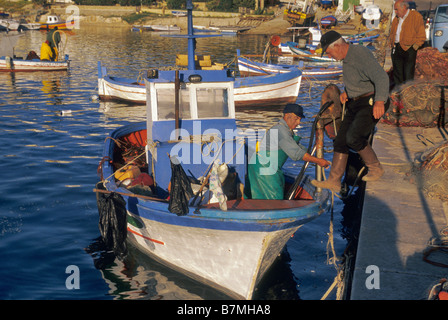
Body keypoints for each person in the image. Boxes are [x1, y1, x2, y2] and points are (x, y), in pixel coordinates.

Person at [311, 31, 390, 193]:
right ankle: (334, 180)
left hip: (371, 101)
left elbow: (381, 77)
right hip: (356, 101)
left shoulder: (359, 54)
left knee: (353, 137)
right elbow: (359, 78)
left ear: (338, 46)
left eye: (329, 52)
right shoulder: (345, 58)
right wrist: (348, 91)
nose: (330, 56)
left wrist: (380, 101)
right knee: (341, 140)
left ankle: (375, 168)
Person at [248, 104, 331, 200]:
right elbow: (296, 154)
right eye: (296, 119)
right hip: (265, 169)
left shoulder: (284, 129)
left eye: (300, 119)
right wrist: (318, 161)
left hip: (264, 167)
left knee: (261, 198)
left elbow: (299, 149)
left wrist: (317, 149)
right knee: (273, 201)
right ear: (287, 116)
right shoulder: (281, 130)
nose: (298, 122)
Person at [390, 0, 426, 86]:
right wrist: (391, 44)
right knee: (397, 73)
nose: (395, 12)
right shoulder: (396, 19)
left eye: (396, 9)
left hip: (409, 48)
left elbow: (421, 35)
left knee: (408, 74)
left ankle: (407, 93)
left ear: (404, 8)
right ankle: (398, 93)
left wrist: (414, 47)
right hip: (397, 48)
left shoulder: (416, 16)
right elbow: (392, 33)